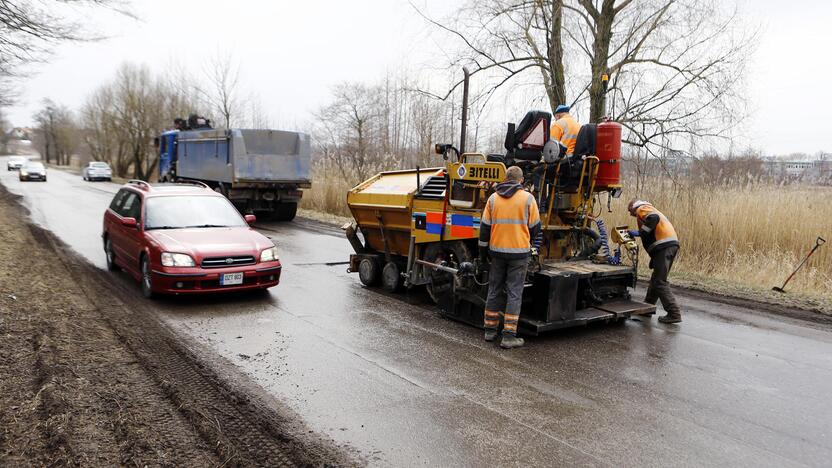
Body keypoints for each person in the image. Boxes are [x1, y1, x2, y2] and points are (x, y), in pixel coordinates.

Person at [479, 166, 541, 348]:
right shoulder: (528, 199)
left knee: (494, 289)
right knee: (514, 293)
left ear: (505, 179)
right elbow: (536, 228)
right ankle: (508, 336)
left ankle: (490, 331)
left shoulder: (493, 198)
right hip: (519, 254)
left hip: (497, 253)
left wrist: (483, 255)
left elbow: (484, 231)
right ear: (521, 180)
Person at [627, 199, 682, 323]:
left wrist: (639, 233)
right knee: (656, 279)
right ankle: (648, 307)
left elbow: (653, 218)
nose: (631, 214)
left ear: (633, 206)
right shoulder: (650, 208)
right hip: (669, 245)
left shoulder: (642, 208)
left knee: (659, 281)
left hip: (664, 246)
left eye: (630, 210)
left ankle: (674, 313)